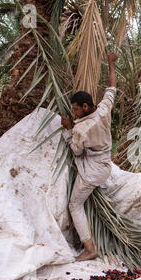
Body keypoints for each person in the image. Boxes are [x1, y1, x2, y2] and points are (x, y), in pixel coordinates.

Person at [60, 52, 117, 261]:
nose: (73, 113)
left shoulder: (80, 129)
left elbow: (76, 151)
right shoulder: (103, 109)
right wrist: (110, 63)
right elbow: (111, 87)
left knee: (74, 205)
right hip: (105, 162)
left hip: (93, 171)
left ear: (85, 107)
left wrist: (67, 129)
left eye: (76, 109)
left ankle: (90, 249)